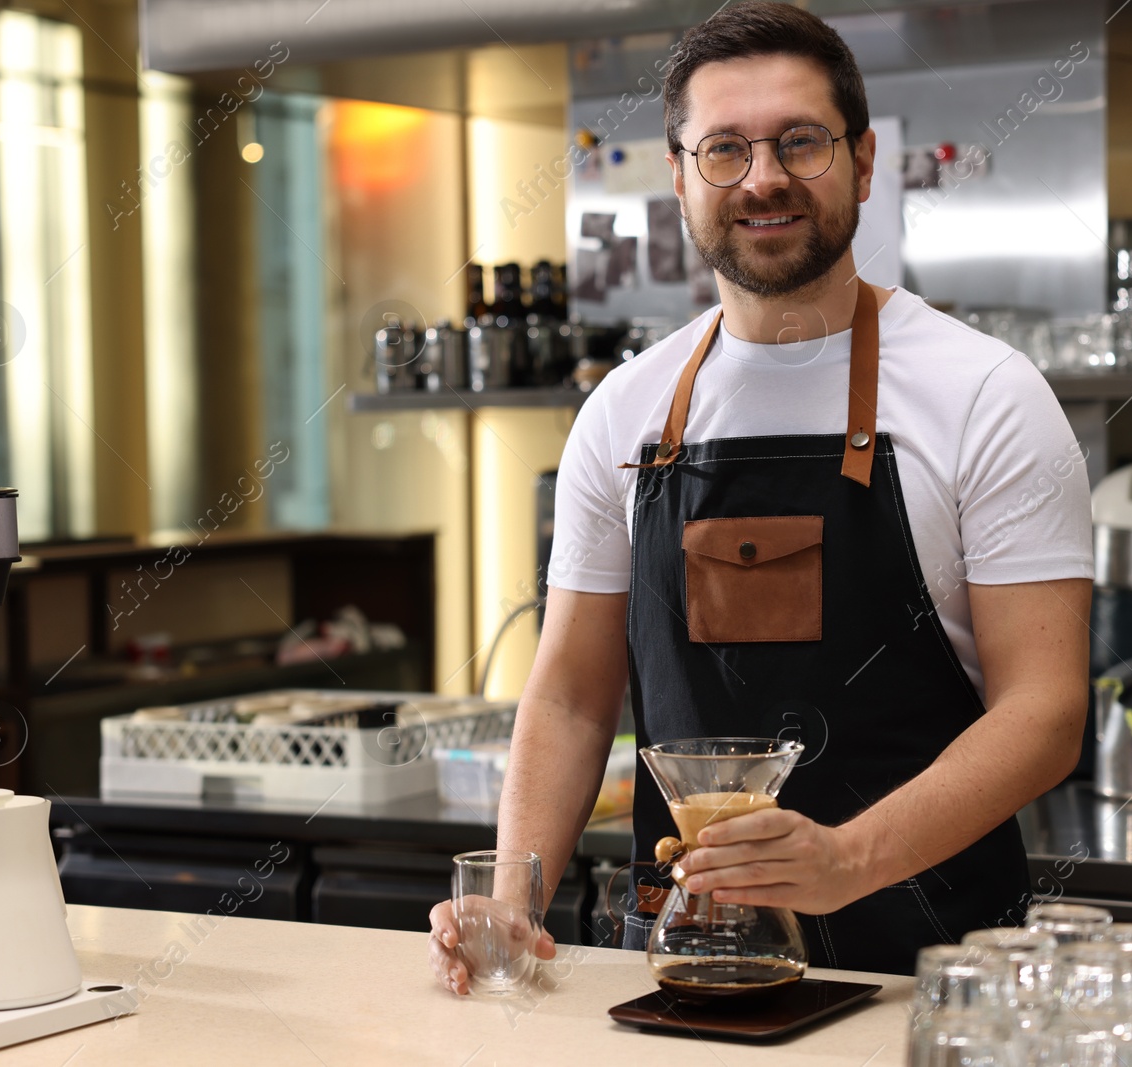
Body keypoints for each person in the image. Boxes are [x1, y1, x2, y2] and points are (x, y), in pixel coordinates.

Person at [429, 1, 1093, 990]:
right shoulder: (622, 413)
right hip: (684, 971)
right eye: (724, 149)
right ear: (681, 178)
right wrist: (513, 898)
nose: (764, 176)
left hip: (931, 981)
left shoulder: (986, 394)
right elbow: (570, 692)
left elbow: (1041, 710)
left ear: (863, 163)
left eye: (800, 143)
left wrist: (849, 858)